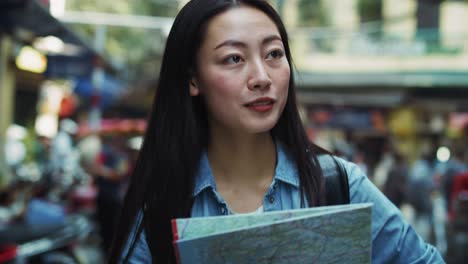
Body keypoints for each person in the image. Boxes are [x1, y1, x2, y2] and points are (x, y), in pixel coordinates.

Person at [109, 1, 444, 263]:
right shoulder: (161, 205)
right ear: (192, 79)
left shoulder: (338, 185)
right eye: (234, 58)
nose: (261, 76)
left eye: (273, 54)